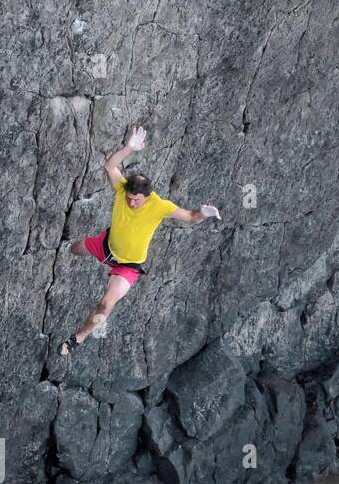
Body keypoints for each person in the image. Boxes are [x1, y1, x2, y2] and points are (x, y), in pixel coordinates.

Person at [60, 126, 220, 355]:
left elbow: (191, 217)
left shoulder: (160, 206)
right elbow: (110, 166)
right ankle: (67, 247)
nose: (132, 203)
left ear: (148, 196)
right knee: (77, 248)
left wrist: (203, 213)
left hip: (128, 266)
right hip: (107, 246)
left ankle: (78, 338)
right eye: (129, 198)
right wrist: (129, 148)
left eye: (136, 200)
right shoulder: (121, 189)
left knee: (106, 304)